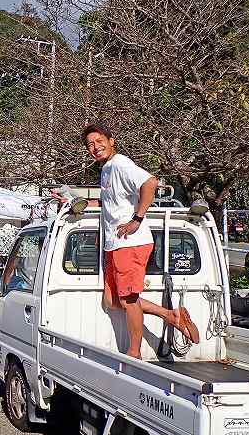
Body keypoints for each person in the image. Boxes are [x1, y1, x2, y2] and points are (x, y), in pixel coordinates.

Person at [82, 122, 199, 359]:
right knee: (113, 301)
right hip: (115, 244)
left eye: (99, 141)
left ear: (111, 140)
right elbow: (112, 204)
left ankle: (134, 351)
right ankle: (170, 315)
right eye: (90, 145)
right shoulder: (106, 169)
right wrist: (82, 205)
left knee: (129, 298)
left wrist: (137, 218)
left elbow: (150, 182)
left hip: (131, 243)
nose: (95, 147)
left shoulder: (121, 163)